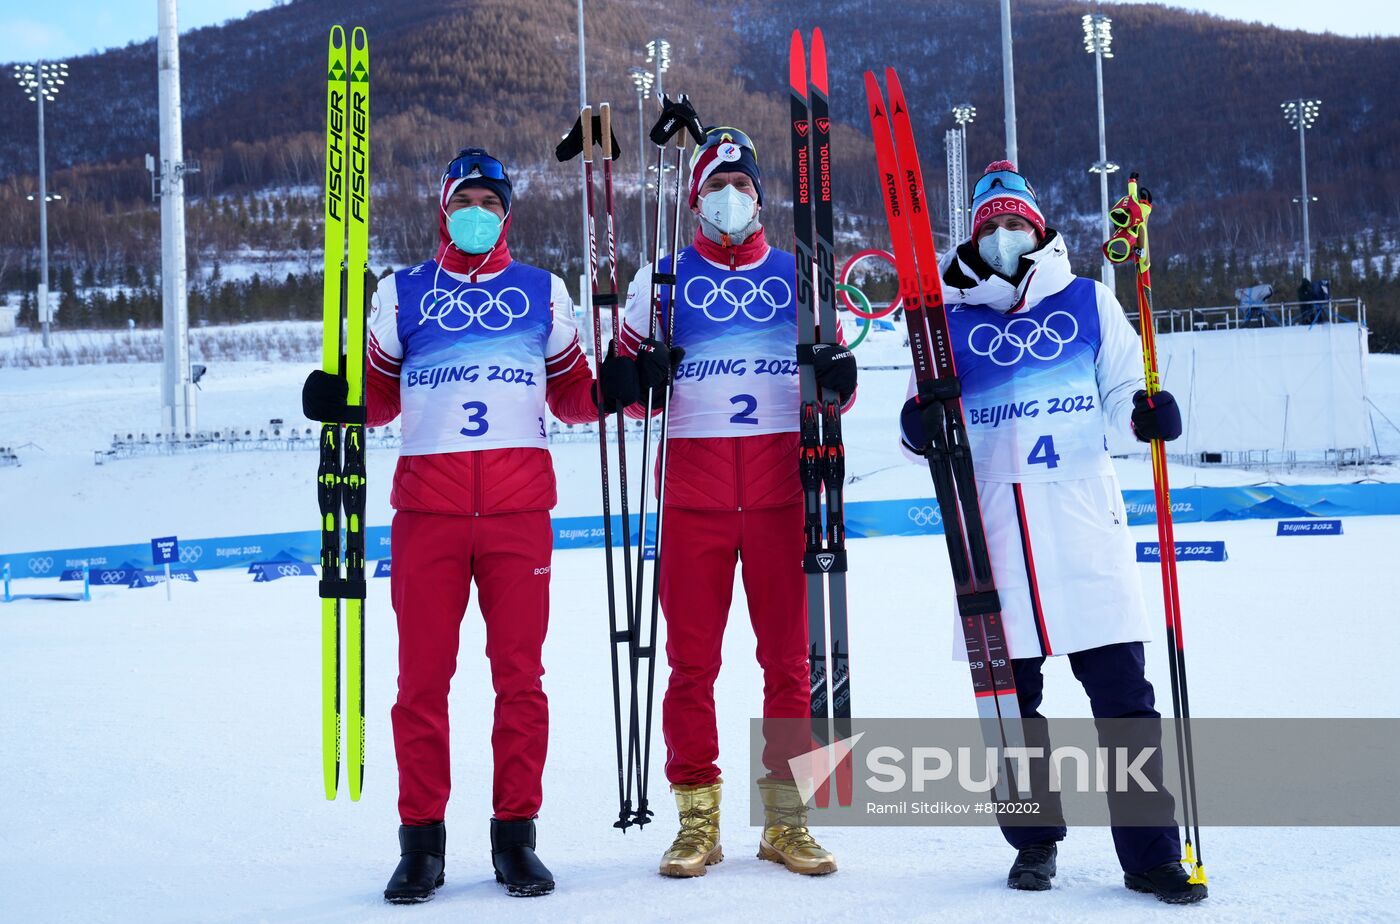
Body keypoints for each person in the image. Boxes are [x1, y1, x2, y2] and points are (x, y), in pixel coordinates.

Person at [302, 147, 637, 903]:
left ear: (507, 212)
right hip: (429, 513)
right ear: (443, 209)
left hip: (520, 513)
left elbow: (572, 398)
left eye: (490, 201)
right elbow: (378, 400)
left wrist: (612, 389)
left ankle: (515, 838)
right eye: (464, 201)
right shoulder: (404, 292)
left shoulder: (543, 291)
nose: (477, 213)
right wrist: (338, 399)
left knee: (521, 679)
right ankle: (420, 844)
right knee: (421, 683)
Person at [899, 161, 1205, 905]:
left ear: (1038, 228)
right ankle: (1033, 843)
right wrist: (920, 423)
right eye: (992, 226)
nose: (1006, 236)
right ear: (975, 236)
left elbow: (1126, 386)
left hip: (1081, 528)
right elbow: (916, 421)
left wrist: (1146, 414)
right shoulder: (944, 320)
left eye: (1016, 223)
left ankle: (1151, 855)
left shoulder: (1087, 301)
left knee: (1124, 701)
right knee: (1010, 709)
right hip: (993, 537)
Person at [607, 126, 857, 879]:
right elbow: (628, 401)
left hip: (786, 496)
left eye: (742, 186)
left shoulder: (795, 274)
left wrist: (839, 378)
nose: (729, 198)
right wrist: (639, 378)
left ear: (759, 197)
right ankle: (697, 822)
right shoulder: (663, 279)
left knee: (789, 663)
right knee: (690, 666)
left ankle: (786, 822)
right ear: (695, 201)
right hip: (693, 498)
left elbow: (835, 386)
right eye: (716, 187)